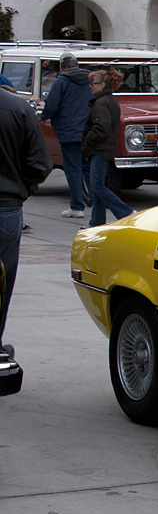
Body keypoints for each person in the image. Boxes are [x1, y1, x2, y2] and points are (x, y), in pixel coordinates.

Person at [0, 86, 53, 359]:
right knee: (2, 284)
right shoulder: (17, 107)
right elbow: (40, 164)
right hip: (5, 207)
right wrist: (22, 188)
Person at [38, 52, 92, 219]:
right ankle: (95, 202)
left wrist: (43, 116)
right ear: (77, 64)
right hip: (89, 131)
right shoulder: (91, 80)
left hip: (69, 132)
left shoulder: (61, 81)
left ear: (62, 67)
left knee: (73, 169)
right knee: (89, 169)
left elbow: (52, 105)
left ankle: (77, 206)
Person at [82, 69, 134, 228]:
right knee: (98, 186)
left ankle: (125, 212)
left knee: (97, 185)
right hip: (105, 148)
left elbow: (102, 128)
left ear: (102, 84)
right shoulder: (109, 100)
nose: (90, 86)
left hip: (100, 149)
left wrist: (86, 142)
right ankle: (96, 221)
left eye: (94, 83)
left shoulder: (102, 102)